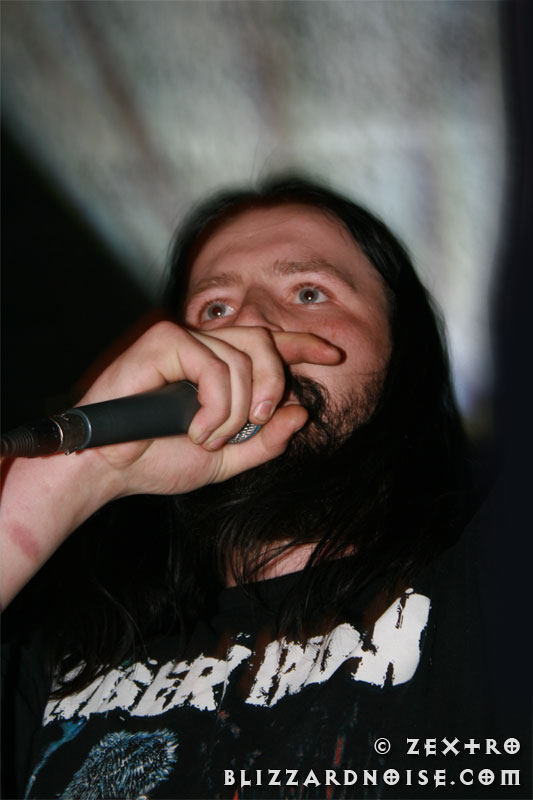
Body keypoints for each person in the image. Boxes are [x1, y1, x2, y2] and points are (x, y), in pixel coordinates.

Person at [0, 176, 529, 799]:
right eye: (214, 310)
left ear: (402, 360)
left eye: (309, 293)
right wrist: (81, 470)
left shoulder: (490, 600)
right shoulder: (54, 664)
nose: (248, 326)